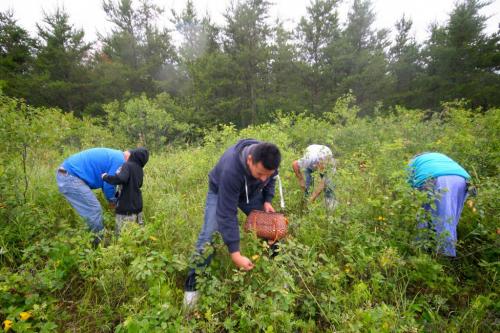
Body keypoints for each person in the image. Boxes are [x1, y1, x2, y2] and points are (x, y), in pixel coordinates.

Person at [184, 139, 282, 307]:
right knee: (209, 237)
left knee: (271, 229)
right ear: (250, 160)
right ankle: (191, 292)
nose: (263, 178)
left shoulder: (269, 160)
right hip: (220, 190)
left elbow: (271, 179)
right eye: (260, 174)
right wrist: (235, 254)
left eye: (267, 174)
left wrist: (267, 200)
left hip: (250, 193)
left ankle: (280, 278)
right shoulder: (231, 169)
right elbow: (226, 214)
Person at [56, 148, 129, 245]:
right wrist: (113, 201)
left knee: (90, 211)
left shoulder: (116, 156)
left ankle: (93, 238)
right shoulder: (121, 160)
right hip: (70, 177)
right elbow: (109, 185)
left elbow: (107, 180)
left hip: (66, 173)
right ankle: (99, 243)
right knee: (94, 209)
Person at [407, 152, 471, 257]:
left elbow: (407, 187)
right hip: (462, 180)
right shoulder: (439, 156)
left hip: (436, 178)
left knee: (423, 213)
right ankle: (446, 250)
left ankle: (424, 250)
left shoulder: (412, 162)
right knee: (450, 216)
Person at [101, 147, 149, 235]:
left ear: (134, 155)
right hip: (138, 205)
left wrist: (105, 177)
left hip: (126, 206)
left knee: (121, 234)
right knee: (137, 233)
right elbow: (140, 184)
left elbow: (121, 178)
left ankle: (118, 247)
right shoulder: (140, 169)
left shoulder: (127, 165)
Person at [292, 144, 336, 210]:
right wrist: (301, 180)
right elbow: (294, 164)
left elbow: (322, 184)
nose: (322, 169)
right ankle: (305, 206)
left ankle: (330, 209)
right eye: (321, 167)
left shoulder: (330, 166)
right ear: (318, 163)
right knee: (308, 184)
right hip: (311, 151)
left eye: (324, 168)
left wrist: (313, 198)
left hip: (323, 157)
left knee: (329, 186)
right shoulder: (309, 159)